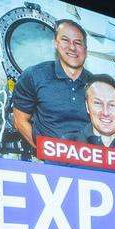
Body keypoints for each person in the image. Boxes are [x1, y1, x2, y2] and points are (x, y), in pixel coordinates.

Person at [11, 19, 94, 149]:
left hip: (88, 159)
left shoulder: (98, 86)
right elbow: (19, 120)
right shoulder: (34, 75)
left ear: (86, 49)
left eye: (78, 43)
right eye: (65, 40)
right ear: (55, 43)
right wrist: (45, 152)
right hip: (47, 159)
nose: (72, 47)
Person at [79, 77, 115, 148]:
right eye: (98, 103)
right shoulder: (67, 146)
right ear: (87, 106)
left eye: (112, 105)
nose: (105, 112)